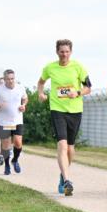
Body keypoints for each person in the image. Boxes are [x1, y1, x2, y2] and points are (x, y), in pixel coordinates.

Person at [37, 39, 91, 196]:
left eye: (67, 51)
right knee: (62, 144)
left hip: (75, 110)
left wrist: (78, 92)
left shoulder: (78, 67)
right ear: (57, 52)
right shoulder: (50, 67)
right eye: (62, 51)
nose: (64, 54)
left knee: (70, 148)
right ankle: (67, 180)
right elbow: (41, 82)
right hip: (57, 109)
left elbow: (88, 87)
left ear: (71, 52)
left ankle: (63, 174)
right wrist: (40, 93)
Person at [0, 69, 28, 176]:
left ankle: (15, 160)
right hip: (4, 122)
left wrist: (23, 105)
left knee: (18, 143)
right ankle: (7, 165)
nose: (10, 81)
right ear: (4, 79)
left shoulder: (20, 87)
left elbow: (25, 98)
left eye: (12, 79)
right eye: (8, 79)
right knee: (6, 145)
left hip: (17, 120)